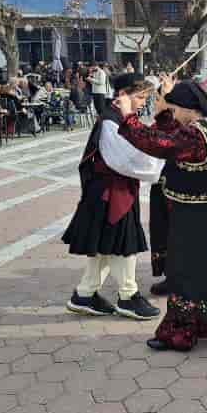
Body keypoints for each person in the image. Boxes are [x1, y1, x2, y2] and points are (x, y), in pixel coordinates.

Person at [117, 75, 207, 351]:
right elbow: (170, 137)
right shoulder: (204, 127)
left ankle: (181, 333)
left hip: (193, 216)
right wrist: (167, 102)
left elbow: (158, 143)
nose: (174, 115)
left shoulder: (194, 133)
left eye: (177, 109)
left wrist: (128, 116)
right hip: (206, 212)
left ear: (190, 108)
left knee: (186, 274)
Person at [61, 73, 163, 321]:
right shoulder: (111, 121)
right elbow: (127, 161)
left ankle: (85, 294)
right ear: (122, 95)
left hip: (114, 190)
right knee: (123, 245)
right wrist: (158, 159)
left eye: (145, 97)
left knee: (106, 245)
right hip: (109, 192)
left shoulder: (119, 116)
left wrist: (160, 82)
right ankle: (128, 296)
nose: (142, 102)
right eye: (139, 97)